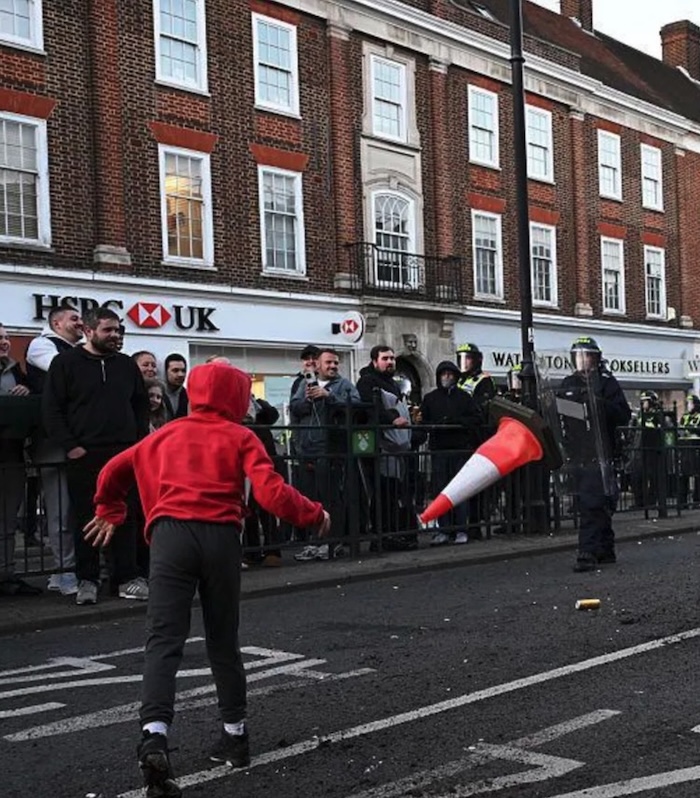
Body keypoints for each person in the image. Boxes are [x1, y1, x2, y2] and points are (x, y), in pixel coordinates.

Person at [83, 362, 330, 797]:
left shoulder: (163, 434)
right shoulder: (241, 436)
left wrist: (110, 510)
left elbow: (112, 471)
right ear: (236, 398)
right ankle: (235, 736)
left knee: (163, 640)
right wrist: (315, 514)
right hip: (220, 537)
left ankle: (154, 735)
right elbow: (271, 493)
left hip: (169, 537)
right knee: (222, 640)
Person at [42, 308, 150, 604]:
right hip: (84, 454)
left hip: (125, 453)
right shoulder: (65, 364)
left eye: (118, 330)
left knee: (126, 517)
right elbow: (52, 410)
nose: (115, 335)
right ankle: (87, 579)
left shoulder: (127, 366)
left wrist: (138, 443)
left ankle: (126, 578)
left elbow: (140, 407)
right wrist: (71, 446)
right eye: (108, 330)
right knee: (86, 517)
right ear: (89, 331)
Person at [25, 306, 84, 595]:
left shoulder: (77, 348)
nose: (80, 323)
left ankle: (69, 570)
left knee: (75, 510)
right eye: (74, 319)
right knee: (60, 512)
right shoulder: (41, 345)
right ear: (56, 322)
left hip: (77, 439)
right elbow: (67, 371)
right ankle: (64, 572)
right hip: (51, 442)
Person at [559, 336, 631, 572]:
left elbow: (623, 414)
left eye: (587, 355)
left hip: (601, 451)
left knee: (592, 502)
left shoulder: (607, 383)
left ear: (596, 358)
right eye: (579, 356)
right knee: (592, 502)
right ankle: (605, 547)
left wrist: (598, 404)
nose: (583, 360)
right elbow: (561, 412)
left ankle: (587, 551)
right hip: (577, 450)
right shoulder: (569, 382)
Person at [290, 348, 361, 560]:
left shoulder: (344, 385)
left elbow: (357, 405)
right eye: (328, 363)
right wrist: (307, 400)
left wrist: (329, 396)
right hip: (307, 449)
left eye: (336, 363)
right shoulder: (304, 383)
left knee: (330, 498)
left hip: (331, 449)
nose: (333, 366)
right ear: (317, 365)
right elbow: (294, 407)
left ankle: (332, 542)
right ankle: (315, 542)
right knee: (310, 499)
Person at [356, 346, 419, 551]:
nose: (390, 362)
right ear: (374, 361)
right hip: (380, 447)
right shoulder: (367, 382)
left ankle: (391, 535)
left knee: (392, 494)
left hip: (395, 446)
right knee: (382, 494)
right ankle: (381, 537)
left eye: (392, 358)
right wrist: (392, 418)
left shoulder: (392, 383)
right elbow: (371, 408)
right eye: (385, 358)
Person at [419, 361, 482, 545]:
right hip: (439, 449)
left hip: (459, 449)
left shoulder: (464, 397)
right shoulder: (431, 398)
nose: (446, 377)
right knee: (441, 492)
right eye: (443, 374)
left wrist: (457, 421)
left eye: (450, 374)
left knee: (459, 491)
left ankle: (461, 529)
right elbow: (424, 421)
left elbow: (476, 418)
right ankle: (444, 529)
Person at [0, 324, 42, 596]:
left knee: (6, 519)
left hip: (10, 452)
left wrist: (26, 390)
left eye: (5, 337)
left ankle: (6, 574)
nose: (4, 342)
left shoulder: (16, 370)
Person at [455, 342, 497, 416]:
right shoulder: (458, 379)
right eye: (461, 358)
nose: (464, 362)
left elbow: (482, 407)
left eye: (467, 358)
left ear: (476, 360)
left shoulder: (484, 380)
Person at [678, 392, 700, 508]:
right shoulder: (685, 416)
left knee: (697, 476)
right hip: (685, 447)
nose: (688, 406)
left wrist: (692, 429)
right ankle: (683, 502)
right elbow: (680, 429)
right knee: (683, 475)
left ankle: (697, 500)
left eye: (690, 403)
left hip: (696, 447)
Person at [162, 354, 188, 420]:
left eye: (183, 371)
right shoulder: (157, 394)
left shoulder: (188, 395)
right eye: (175, 370)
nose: (180, 375)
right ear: (165, 372)